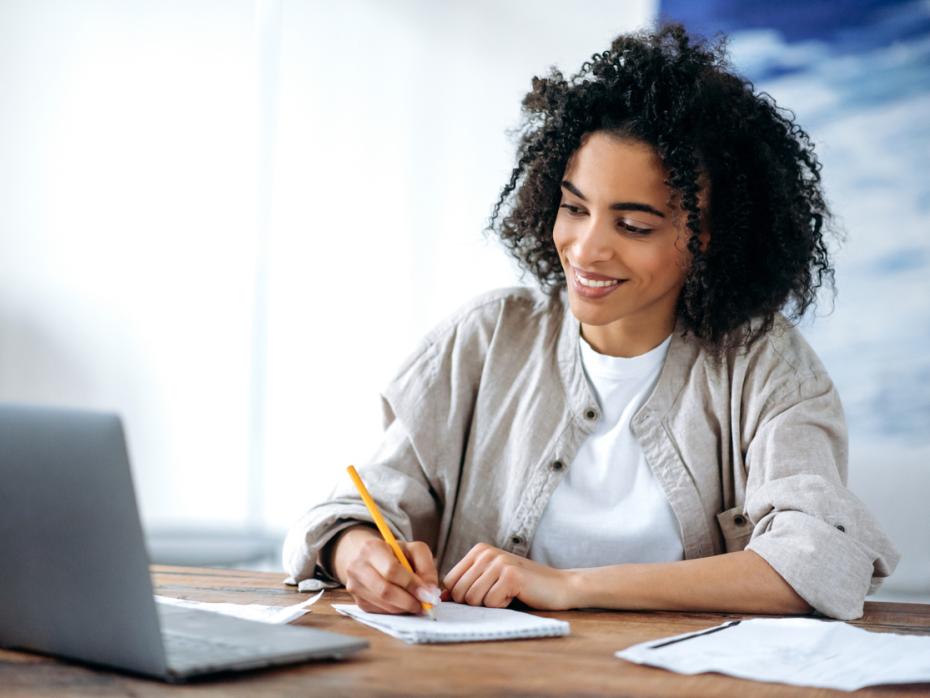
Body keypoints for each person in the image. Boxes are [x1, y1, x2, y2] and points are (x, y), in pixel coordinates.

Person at [283, 23, 898, 621]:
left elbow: (817, 561)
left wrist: (568, 586)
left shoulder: (765, 365)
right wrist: (359, 551)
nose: (586, 248)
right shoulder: (486, 339)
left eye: (633, 226)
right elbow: (347, 510)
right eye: (574, 208)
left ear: (712, 237)